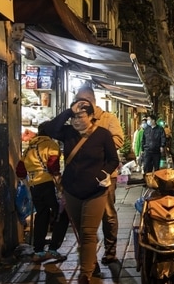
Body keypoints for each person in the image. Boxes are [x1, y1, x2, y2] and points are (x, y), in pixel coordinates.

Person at [42, 99, 119, 283]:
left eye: (80, 116)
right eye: (74, 117)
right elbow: (50, 129)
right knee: (80, 231)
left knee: (88, 232)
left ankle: (85, 273)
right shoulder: (68, 133)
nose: (76, 121)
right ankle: (91, 262)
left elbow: (113, 160)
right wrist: (68, 111)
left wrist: (102, 174)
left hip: (95, 192)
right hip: (72, 191)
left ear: (92, 116)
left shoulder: (103, 135)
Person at [74, 85, 124, 265]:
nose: (78, 105)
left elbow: (119, 139)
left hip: (105, 177)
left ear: (91, 102)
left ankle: (110, 252)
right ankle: (89, 258)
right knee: (86, 218)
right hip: (81, 178)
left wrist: (97, 144)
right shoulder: (76, 120)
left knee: (108, 215)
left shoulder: (108, 119)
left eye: (81, 101)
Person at [15, 122, 69, 263]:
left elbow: (20, 171)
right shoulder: (50, 145)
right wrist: (60, 186)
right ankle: (53, 249)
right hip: (48, 185)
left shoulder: (28, 149)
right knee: (61, 214)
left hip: (34, 187)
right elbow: (53, 167)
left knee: (42, 215)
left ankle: (38, 251)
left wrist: (30, 180)